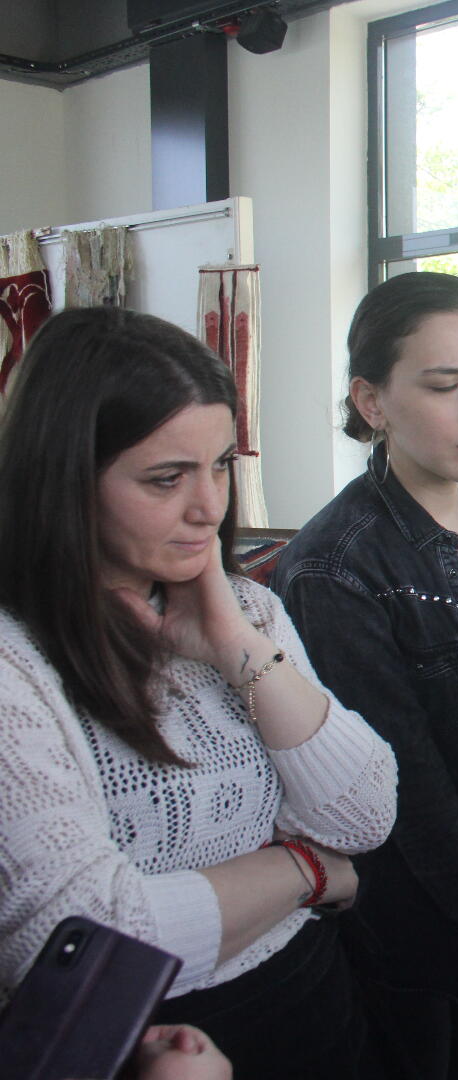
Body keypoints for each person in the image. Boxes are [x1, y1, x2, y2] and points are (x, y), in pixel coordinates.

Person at [0, 307, 398, 1079]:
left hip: (314, 998)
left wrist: (234, 645)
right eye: (166, 478)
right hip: (152, 1044)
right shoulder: (18, 663)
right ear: (62, 478)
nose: (210, 507)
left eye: (219, 465)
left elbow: (364, 813)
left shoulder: (245, 610)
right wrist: (307, 870)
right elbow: (88, 942)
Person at [272, 272, 458, 1078]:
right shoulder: (337, 568)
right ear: (372, 401)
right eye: (446, 385)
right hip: (411, 929)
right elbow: (407, 790)